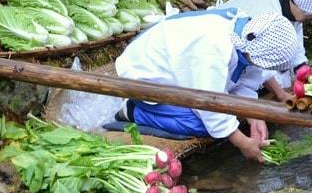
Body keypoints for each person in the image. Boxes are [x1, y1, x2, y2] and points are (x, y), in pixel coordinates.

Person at [115, 8, 298, 162]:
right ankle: (134, 111)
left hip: (182, 72)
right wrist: (243, 143)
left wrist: (253, 115)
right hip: (144, 77)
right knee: (203, 125)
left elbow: (246, 81)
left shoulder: (249, 37)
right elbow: (206, 103)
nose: (260, 67)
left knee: (227, 117)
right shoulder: (212, 47)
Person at [218, 0, 312, 101]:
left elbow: (296, 46)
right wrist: (281, 93)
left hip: (248, 60)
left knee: (283, 79)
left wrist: (302, 70)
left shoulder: (293, 14)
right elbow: (259, 62)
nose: (311, 17)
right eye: (310, 14)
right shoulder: (267, 13)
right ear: (297, 2)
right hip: (225, 57)